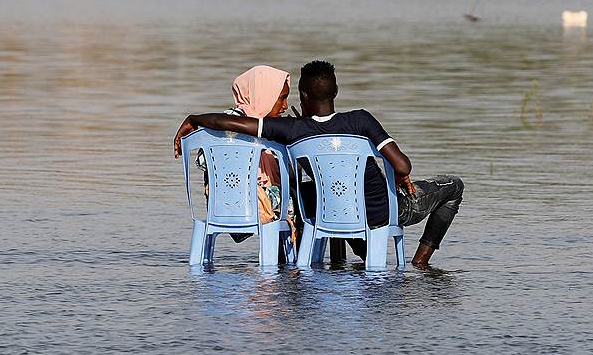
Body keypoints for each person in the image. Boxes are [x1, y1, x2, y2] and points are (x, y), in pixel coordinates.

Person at [175, 60, 463, 267]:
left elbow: (235, 122)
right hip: (384, 214)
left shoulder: (293, 129)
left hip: (331, 213)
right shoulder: (362, 120)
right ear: (335, 92)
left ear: (303, 95)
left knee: (320, 192)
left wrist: (195, 119)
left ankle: (351, 261)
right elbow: (402, 167)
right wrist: (399, 176)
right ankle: (421, 263)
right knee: (454, 187)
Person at [187, 65, 293, 239]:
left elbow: (204, 163)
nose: (285, 106)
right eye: (281, 98)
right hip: (257, 207)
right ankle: (295, 262)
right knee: (306, 199)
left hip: (220, 207)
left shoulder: (219, 123)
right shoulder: (263, 130)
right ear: (264, 96)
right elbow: (290, 175)